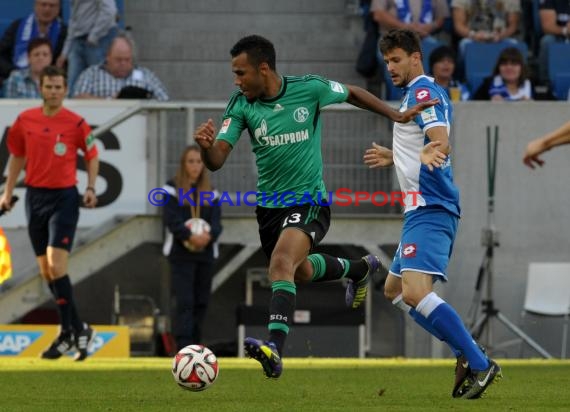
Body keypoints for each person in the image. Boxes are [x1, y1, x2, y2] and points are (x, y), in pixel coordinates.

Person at [193, 34, 438, 379]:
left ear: (263, 69)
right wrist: (205, 147)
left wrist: (396, 116)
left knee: (281, 263)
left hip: (309, 201)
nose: (236, 80)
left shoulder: (308, 89)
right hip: (268, 209)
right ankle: (359, 269)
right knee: (300, 271)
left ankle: (274, 348)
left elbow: (352, 91)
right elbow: (217, 159)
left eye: (240, 73)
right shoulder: (241, 105)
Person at [365, 29, 501, 399]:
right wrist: (398, 156)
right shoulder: (412, 95)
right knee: (395, 290)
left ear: (415, 56)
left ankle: (478, 361)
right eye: (386, 60)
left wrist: (432, 150)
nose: (389, 67)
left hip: (432, 207)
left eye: (396, 59)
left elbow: (439, 139)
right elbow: (422, 143)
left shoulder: (424, 91)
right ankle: (467, 353)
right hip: (419, 211)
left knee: (414, 292)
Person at [0, 66, 98, 361]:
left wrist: (91, 187)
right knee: (47, 271)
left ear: (65, 90)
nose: (53, 92)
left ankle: (69, 330)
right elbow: (17, 154)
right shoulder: (25, 120)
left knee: (56, 263)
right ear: (40, 88)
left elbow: (92, 155)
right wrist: (6, 193)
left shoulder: (76, 123)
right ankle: (77, 329)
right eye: (49, 87)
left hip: (64, 198)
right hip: (35, 198)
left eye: (58, 87)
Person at [162, 145, 223, 350]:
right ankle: (183, 345)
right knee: (184, 300)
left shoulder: (211, 192)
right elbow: (171, 220)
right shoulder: (171, 189)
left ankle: (196, 345)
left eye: (199, 162)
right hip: (181, 254)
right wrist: (189, 236)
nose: (195, 166)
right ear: (183, 164)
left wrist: (208, 237)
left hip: (205, 254)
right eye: (191, 161)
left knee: (201, 301)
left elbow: (217, 224)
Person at [72, 33, 169, 100]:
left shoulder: (146, 75)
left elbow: (164, 99)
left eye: (127, 60)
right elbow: (78, 98)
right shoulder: (91, 74)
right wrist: (109, 102)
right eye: (118, 59)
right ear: (108, 57)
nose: (123, 63)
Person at [0, 0, 66, 89]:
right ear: (35, 5)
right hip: (16, 80)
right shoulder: (17, 26)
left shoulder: (65, 33)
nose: (47, 9)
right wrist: (12, 71)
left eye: (52, 6)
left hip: (51, 82)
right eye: (43, 4)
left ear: (58, 8)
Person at [55, 0, 118, 92]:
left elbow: (109, 11)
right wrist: (65, 52)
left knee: (100, 82)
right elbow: (73, 20)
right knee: (72, 84)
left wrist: (94, 35)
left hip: (99, 40)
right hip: (78, 39)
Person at [451, 0, 521, 60]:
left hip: (501, 37)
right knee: (464, 45)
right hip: (472, 37)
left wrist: (501, 36)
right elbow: (458, 25)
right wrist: (473, 35)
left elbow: (512, 26)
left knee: (514, 44)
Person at [537, 0, 570, 82]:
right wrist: (565, 30)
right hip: (559, 35)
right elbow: (547, 27)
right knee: (547, 41)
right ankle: (545, 81)